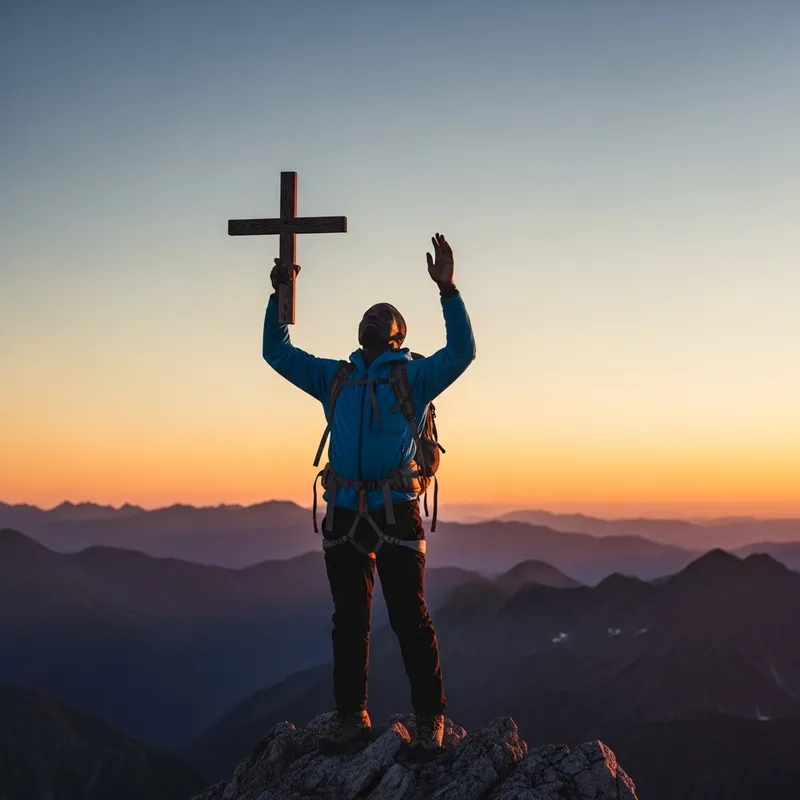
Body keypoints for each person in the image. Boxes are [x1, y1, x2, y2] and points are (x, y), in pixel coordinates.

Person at [262, 233, 476, 761]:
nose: (373, 322)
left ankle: (426, 720)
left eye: (381, 319)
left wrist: (449, 290)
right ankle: (354, 716)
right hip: (361, 514)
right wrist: (278, 298)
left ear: (395, 337)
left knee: (403, 617)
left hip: (379, 511)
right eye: (370, 318)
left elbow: (464, 352)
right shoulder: (339, 377)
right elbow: (276, 352)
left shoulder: (406, 376)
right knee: (356, 620)